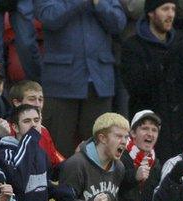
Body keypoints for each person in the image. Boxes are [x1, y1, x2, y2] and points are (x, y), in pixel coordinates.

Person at [121, 0, 183, 163]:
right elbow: (135, 86)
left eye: (173, 9)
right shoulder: (133, 47)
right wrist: (162, 63)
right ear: (151, 13)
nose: (171, 14)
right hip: (152, 134)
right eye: (165, 9)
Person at [34, 0, 126, 157]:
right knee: (57, 149)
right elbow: (49, 17)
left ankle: (96, 182)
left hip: (99, 82)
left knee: (99, 149)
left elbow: (119, 23)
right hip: (61, 83)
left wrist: (99, 4)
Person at [48, 113, 143, 201]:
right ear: (102, 138)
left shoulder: (119, 168)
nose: (124, 142)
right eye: (118, 136)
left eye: (126, 137)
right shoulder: (76, 165)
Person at [107, 110, 162, 201]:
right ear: (132, 133)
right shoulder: (118, 157)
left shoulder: (156, 164)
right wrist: (133, 177)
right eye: (144, 128)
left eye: (154, 130)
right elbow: (111, 192)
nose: (150, 134)